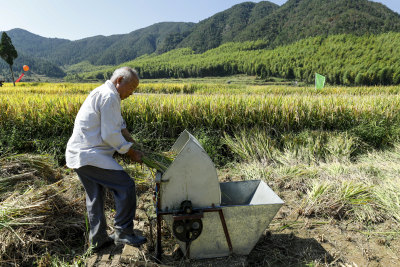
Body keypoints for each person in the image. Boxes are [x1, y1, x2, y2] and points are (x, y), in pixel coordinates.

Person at [65, 66, 147, 251]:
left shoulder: (105, 93)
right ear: (119, 81)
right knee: (126, 185)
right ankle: (124, 232)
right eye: (131, 88)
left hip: (80, 154)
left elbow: (119, 125)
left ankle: (98, 240)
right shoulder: (109, 96)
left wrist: (132, 142)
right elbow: (110, 134)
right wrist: (132, 153)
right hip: (90, 155)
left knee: (95, 196)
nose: (131, 93)